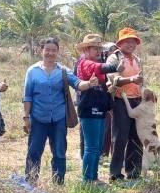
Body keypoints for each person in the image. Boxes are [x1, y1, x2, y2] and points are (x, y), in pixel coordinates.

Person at [23, 37, 80, 184]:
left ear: (58, 52)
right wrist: (26, 117)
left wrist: (89, 83)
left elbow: (77, 83)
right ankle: (31, 183)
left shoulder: (63, 70)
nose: (50, 53)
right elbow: (27, 96)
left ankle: (58, 183)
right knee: (34, 151)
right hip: (38, 119)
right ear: (41, 50)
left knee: (60, 152)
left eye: (53, 50)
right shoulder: (32, 71)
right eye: (47, 50)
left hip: (58, 119)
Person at [75, 34, 120, 182]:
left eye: (99, 48)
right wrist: (116, 65)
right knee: (92, 147)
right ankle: (88, 179)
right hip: (89, 109)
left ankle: (93, 177)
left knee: (98, 146)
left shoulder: (95, 61)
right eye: (95, 48)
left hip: (99, 108)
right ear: (86, 49)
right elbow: (104, 67)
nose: (98, 51)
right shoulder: (85, 62)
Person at [105, 27, 145, 180]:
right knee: (119, 137)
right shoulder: (114, 58)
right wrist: (131, 79)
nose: (131, 44)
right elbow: (113, 79)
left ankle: (134, 171)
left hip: (137, 100)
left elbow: (141, 80)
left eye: (133, 41)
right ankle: (115, 173)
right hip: (121, 100)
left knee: (136, 136)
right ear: (120, 43)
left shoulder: (136, 59)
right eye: (127, 41)